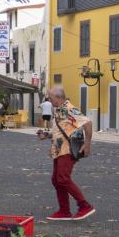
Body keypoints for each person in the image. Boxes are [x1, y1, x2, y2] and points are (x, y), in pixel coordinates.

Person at [38, 85, 94, 222]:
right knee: (57, 180)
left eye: (51, 99)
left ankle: (84, 206)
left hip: (66, 150)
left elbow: (87, 123)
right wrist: (47, 135)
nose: (50, 101)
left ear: (58, 97)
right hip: (59, 149)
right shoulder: (60, 109)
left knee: (62, 178)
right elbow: (62, 130)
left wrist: (87, 144)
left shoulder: (68, 108)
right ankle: (64, 210)